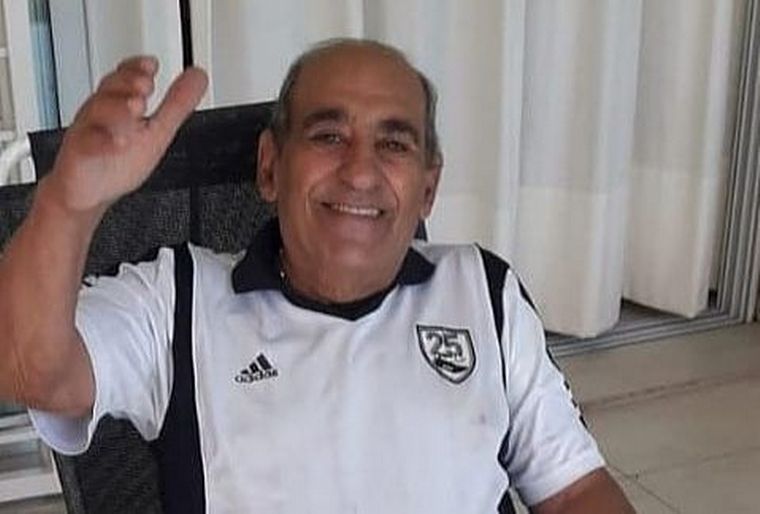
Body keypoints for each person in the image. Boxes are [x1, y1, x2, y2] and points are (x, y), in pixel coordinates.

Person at [0, 39, 634, 513]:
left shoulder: (483, 291)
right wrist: (68, 203)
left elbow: (575, 491)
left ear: (427, 189)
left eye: (394, 144)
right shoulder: (178, 301)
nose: (360, 172)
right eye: (329, 136)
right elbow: (28, 368)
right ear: (270, 168)